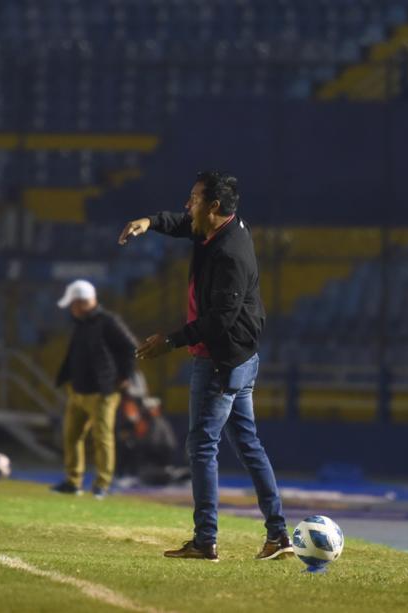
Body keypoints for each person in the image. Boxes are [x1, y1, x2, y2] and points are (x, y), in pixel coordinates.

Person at [118, 170, 292, 562]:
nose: (188, 204)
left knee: (201, 446)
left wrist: (170, 341)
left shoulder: (229, 253)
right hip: (242, 358)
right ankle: (279, 534)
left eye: (194, 198)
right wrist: (150, 221)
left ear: (213, 206)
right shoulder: (216, 228)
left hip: (221, 360)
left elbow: (220, 320)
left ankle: (205, 539)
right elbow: (182, 222)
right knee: (248, 445)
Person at [50, 279, 137, 499]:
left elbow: (130, 347)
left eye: (73, 304)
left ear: (82, 302)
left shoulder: (108, 322)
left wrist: (125, 376)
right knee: (71, 436)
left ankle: (102, 484)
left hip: (102, 392)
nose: (71, 309)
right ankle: (73, 481)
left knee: (103, 438)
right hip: (78, 390)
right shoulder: (82, 323)